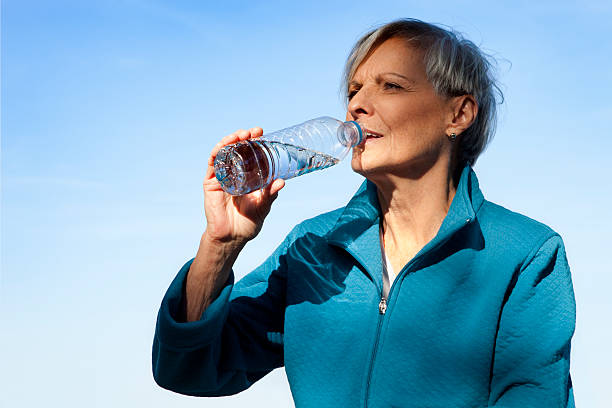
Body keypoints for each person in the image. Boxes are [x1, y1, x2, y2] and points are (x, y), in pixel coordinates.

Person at [152, 19, 576, 407]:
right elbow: (187, 370)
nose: (357, 104)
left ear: (458, 113)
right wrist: (220, 246)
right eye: (354, 89)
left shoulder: (524, 253)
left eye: (390, 85)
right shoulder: (312, 248)